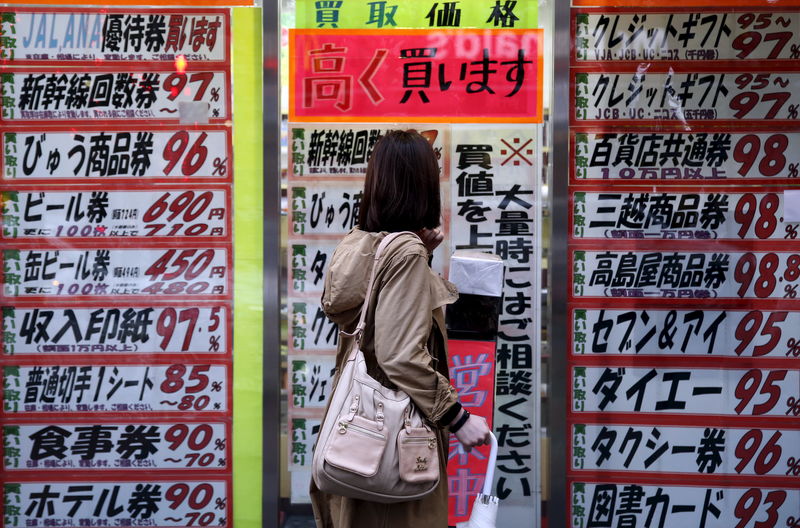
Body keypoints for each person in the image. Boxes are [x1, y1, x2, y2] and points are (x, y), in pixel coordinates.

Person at [310, 130, 492, 527]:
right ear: (422, 184)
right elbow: (398, 353)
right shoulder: (405, 253)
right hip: (395, 445)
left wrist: (421, 252)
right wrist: (457, 417)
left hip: (357, 439)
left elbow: (375, 323)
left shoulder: (359, 244)